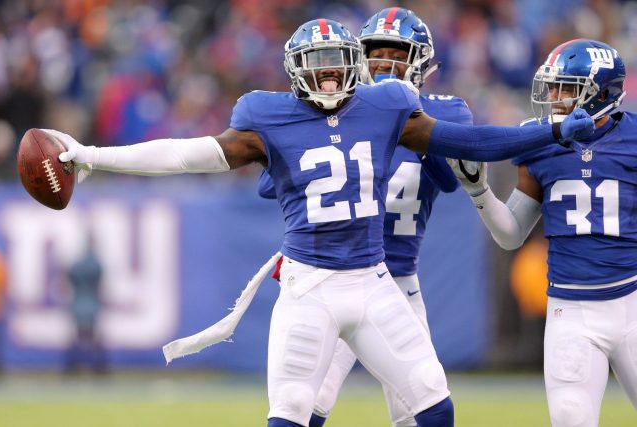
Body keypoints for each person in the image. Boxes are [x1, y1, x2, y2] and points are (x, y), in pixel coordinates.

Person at [48, 18, 593, 427]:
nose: (330, 75)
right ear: (295, 71)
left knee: (433, 402)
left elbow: (470, 142)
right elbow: (185, 155)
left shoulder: (383, 107)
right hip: (309, 286)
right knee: (291, 413)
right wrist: (94, 154)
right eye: (319, 64)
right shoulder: (268, 116)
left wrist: (551, 133)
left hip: (377, 282)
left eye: (338, 63)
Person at [257, 8, 472, 427]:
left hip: (395, 282)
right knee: (307, 403)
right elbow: (270, 186)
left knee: (420, 408)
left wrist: (404, 123)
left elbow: (450, 180)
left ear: (422, 63)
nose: (386, 65)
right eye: (376, 54)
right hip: (331, 275)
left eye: (399, 55)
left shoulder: (443, 111)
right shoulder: (334, 115)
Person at [448, 39, 636, 426]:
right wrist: (479, 191)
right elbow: (512, 234)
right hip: (572, 313)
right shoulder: (541, 144)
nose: (554, 96)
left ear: (600, 93)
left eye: (566, 87)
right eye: (552, 86)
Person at [63, 236, 107, 374]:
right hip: (91, 303)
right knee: (93, 338)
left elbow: (68, 279)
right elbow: (99, 283)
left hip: (78, 303)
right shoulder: (95, 264)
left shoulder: (76, 265)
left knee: (78, 337)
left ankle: (72, 367)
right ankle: (98, 368)